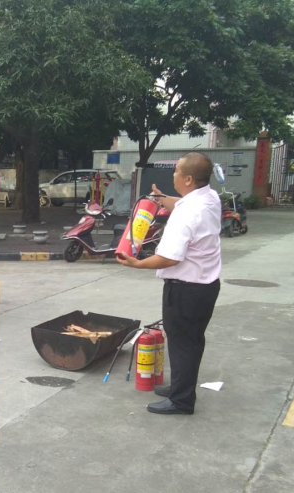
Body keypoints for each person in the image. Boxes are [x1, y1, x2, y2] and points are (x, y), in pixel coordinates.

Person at [117, 152, 222, 415]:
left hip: (186, 289)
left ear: (188, 179)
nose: (173, 174)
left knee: (182, 343)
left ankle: (181, 401)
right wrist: (162, 199)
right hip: (205, 286)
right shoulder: (209, 197)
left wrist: (137, 264)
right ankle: (180, 388)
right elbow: (182, 203)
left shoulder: (187, 214)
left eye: (176, 171)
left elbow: (169, 257)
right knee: (191, 341)